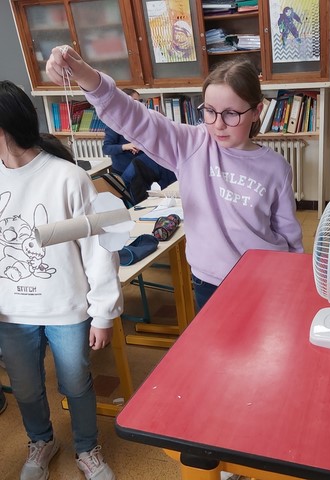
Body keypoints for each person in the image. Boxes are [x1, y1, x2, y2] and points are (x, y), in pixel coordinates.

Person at [46, 46, 303, 311]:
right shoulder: (192, 144)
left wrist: (295, 281)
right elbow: (137, 118)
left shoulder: (276, 167)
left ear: (256, 111)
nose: (218, 124)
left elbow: (289, 234)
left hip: (264, 277)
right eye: (210, 111)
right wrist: (85, 74)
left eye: (231, 113)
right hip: (210, 281)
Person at [0, 80, 122, 480]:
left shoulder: (67, 177)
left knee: (75, 383)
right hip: (11, 312)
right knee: (25, 387)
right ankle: (41, 441)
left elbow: (99, 248)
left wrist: (103, 313)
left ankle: (87, 448)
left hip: (67, 307)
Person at [102, 87, 176, 203]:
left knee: (165, 167)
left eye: (140, 101)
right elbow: (106, 148)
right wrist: (126, 146)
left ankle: (172, 197)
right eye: (135, 101)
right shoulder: (114, 124)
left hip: (141, 167)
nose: (139, 104)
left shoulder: (139, 121)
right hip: (124, 169)